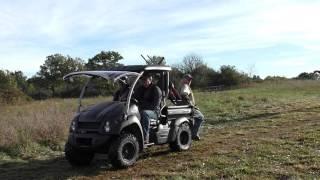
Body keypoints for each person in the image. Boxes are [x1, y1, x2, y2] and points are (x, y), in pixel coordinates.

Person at [133, 73, 162, 143]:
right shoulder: (140, 88)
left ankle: (145, 137)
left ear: (150, 80)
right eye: (143, 80)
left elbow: (155, 105)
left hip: (154, 112)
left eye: (145, 80)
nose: (144, 82)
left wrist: (142, 107)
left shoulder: (156, 89)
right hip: (142, 109)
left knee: (144, 113)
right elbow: (134, 96)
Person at [179, 74, 204, 141]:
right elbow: (184, 94)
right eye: (187, 79)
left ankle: (190, 133)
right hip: (188, 107)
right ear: (184, 79)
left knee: (192, 120)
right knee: (200, 117)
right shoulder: (185, 86)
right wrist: (190, 104)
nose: (189, 81)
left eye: (190, 79)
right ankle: (193, 134)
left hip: (183, 107)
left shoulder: (181, 85)